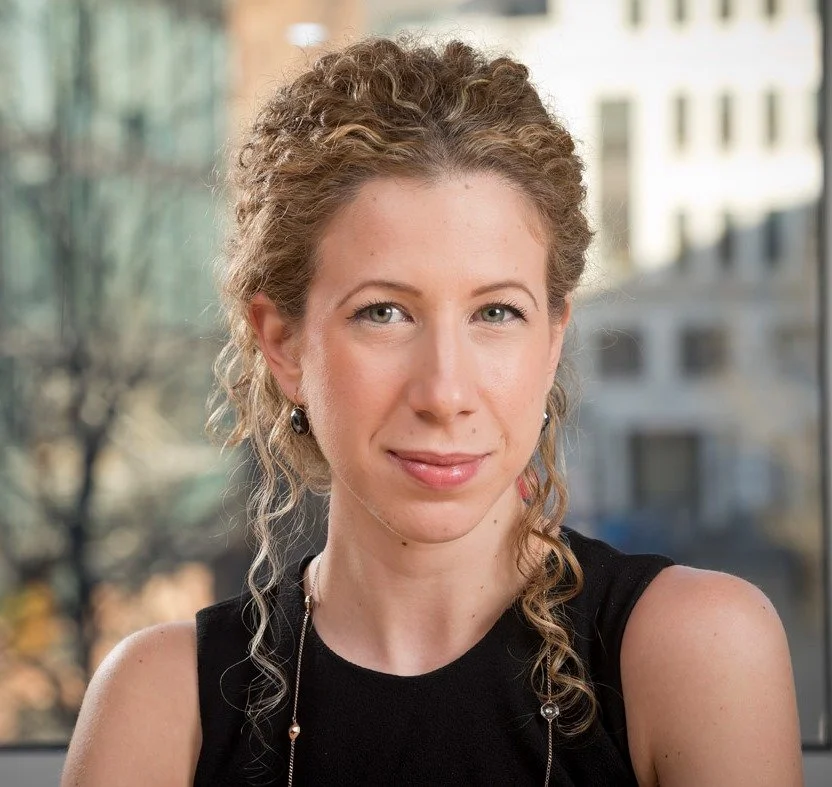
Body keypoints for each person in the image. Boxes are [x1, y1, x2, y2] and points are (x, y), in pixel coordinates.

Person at [62, 36, 803, 786]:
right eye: (383, 312)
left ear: (552, 340)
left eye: (497, 313)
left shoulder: (697, 649)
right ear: (283, 344)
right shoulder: (157, 704)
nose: (445, 393)